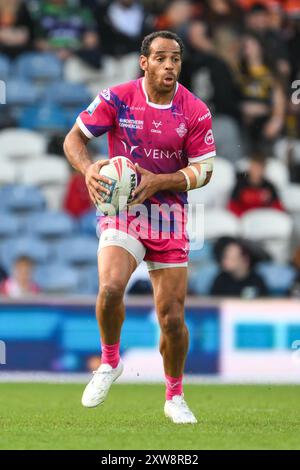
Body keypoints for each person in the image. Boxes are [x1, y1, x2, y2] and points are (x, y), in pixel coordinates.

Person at [64, 30, 216, 424]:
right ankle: (110, 362)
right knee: (111, 287)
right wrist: (88, 169)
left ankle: (174, 394)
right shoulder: (117, 98)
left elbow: (206, 170)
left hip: (169, 216)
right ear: (144, 62)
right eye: (162, 58)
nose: (170, 65)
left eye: (176, 59)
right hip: (123, 209)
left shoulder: (195, 110)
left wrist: (159, 181)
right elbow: (74, 139)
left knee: (171, 318)